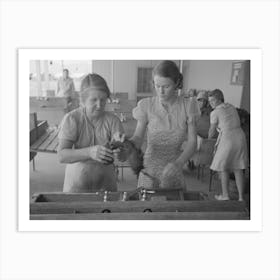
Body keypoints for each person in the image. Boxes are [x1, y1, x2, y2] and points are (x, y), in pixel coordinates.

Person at [125, 60, 200, 189]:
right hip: (149, 170)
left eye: (166, 86)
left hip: (174, 168)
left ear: (177, 83)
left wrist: (179, 163)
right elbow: (137, 138)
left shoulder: (188, 105)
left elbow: (192, 142)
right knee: (148, 207)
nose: (161, 91)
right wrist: (127, 143)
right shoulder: (146, 105)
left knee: (173, 205)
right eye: (157, 85)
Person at [57, 73, 124, 193]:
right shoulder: (72, 119)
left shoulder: (113, 120)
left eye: (103, 100)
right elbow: (62, 155)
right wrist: (89, 152)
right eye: (94, 100)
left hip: (106, 184)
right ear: (82, 100)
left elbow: (123, 157)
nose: (99, 105)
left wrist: (121, 150)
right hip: (76, 184)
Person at [208, 89, 248, 201]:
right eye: (209, 101)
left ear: (220, 99)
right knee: (238, 168)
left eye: (213, 100)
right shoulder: (231, 107)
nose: (211, 103)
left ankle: (225, 195)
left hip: (228, 138)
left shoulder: (214, 113)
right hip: (240, 137)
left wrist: (209, 135)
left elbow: (211, 133)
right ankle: (241, 198)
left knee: (223, 167)